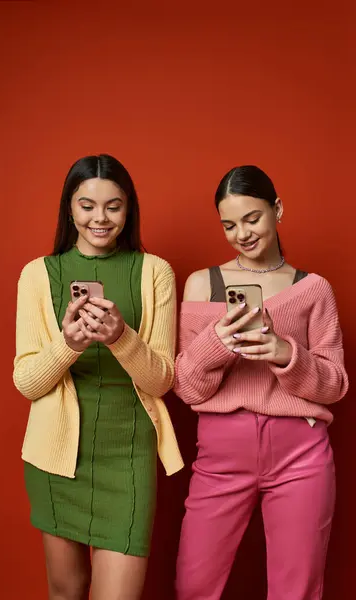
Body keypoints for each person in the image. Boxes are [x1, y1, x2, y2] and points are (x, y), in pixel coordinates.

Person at [174, 165, 348, 600]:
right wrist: (219, 340)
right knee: (194, 586)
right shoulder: (202, 284)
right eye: (229, 225)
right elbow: (188, 388)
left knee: (297, 590)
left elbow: (335, 385)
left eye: (252, 218)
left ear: (277, 209)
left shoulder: (313, 290)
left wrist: (284, 352)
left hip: (301, 454)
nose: (242, 234)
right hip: (221, 454)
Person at [13, 154, 183, 600]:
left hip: (127, 456)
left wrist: (121, 337)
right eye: (87, 205)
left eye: (114, 205)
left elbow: (162, 380)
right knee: (66, 593)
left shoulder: (155, 272)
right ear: (69, 208)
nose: (100, 218)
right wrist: (68, 344)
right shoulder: (37, 275)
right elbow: (28, 382)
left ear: (129, 209)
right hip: (57, 460)